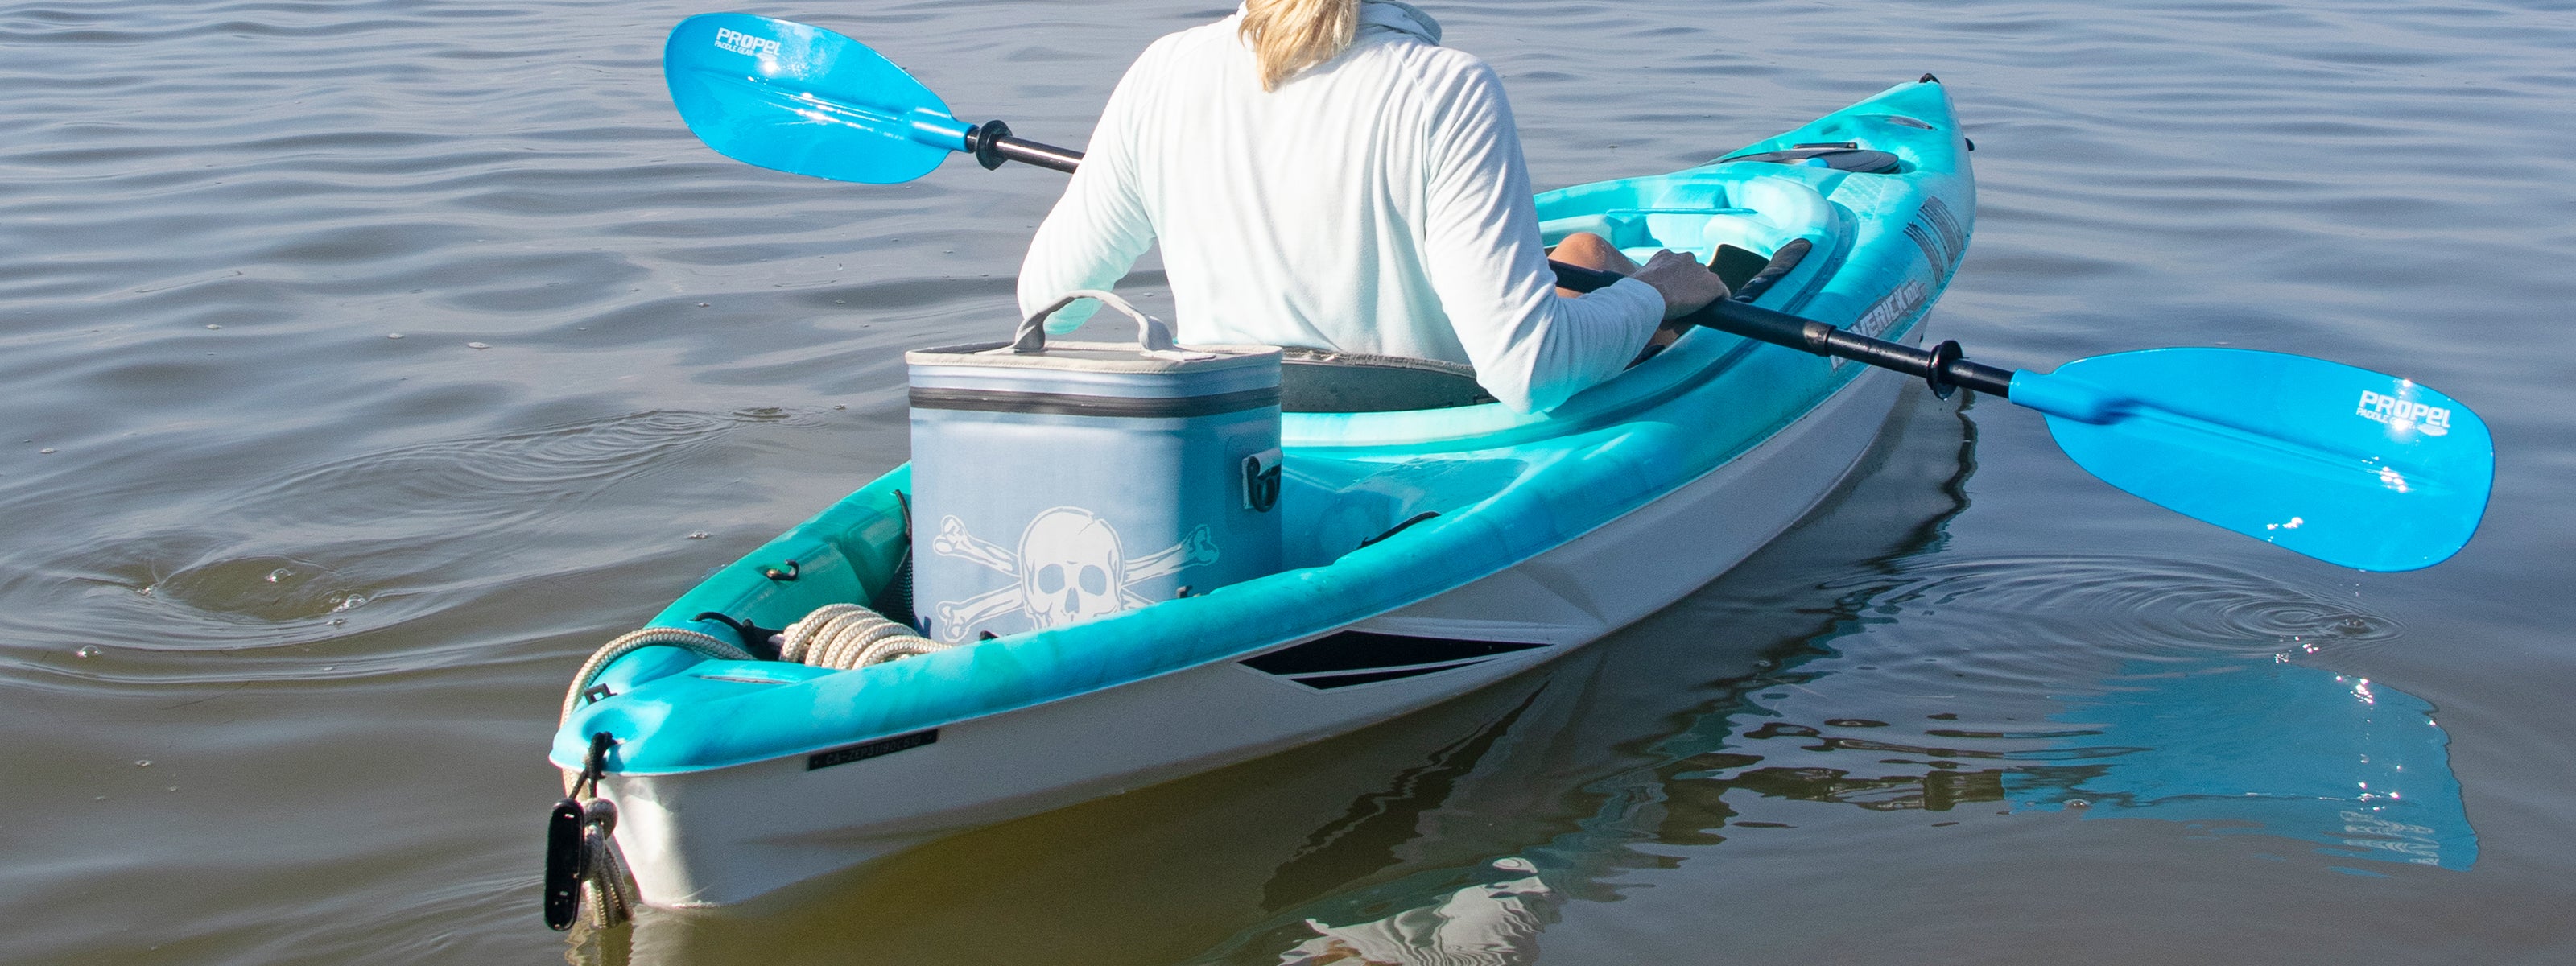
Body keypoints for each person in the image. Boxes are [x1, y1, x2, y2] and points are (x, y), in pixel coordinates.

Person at [1016, 0, 1726, 412]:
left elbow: (1050, 301)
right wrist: (1655, 298)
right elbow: (1529, 370)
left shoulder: (1160, 73)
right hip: (1432, 454)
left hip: (1235, 437)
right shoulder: (1446, 89)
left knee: (1582, 258)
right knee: (1606, 271)